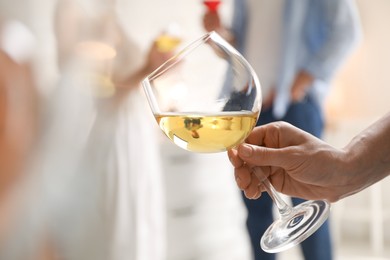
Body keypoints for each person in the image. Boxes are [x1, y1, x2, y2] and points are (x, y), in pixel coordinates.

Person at [203, 0, 362, 259]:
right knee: (255, 209)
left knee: (310, 206)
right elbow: (241, 43)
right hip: (247, 108)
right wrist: (220, 36)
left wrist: (296, 85)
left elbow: (347, 32)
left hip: (294, 105)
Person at [227, 112, 390, 203]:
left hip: (296, 100)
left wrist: (345, 168)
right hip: (259, 108)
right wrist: (344, 170)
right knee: (257, 214)